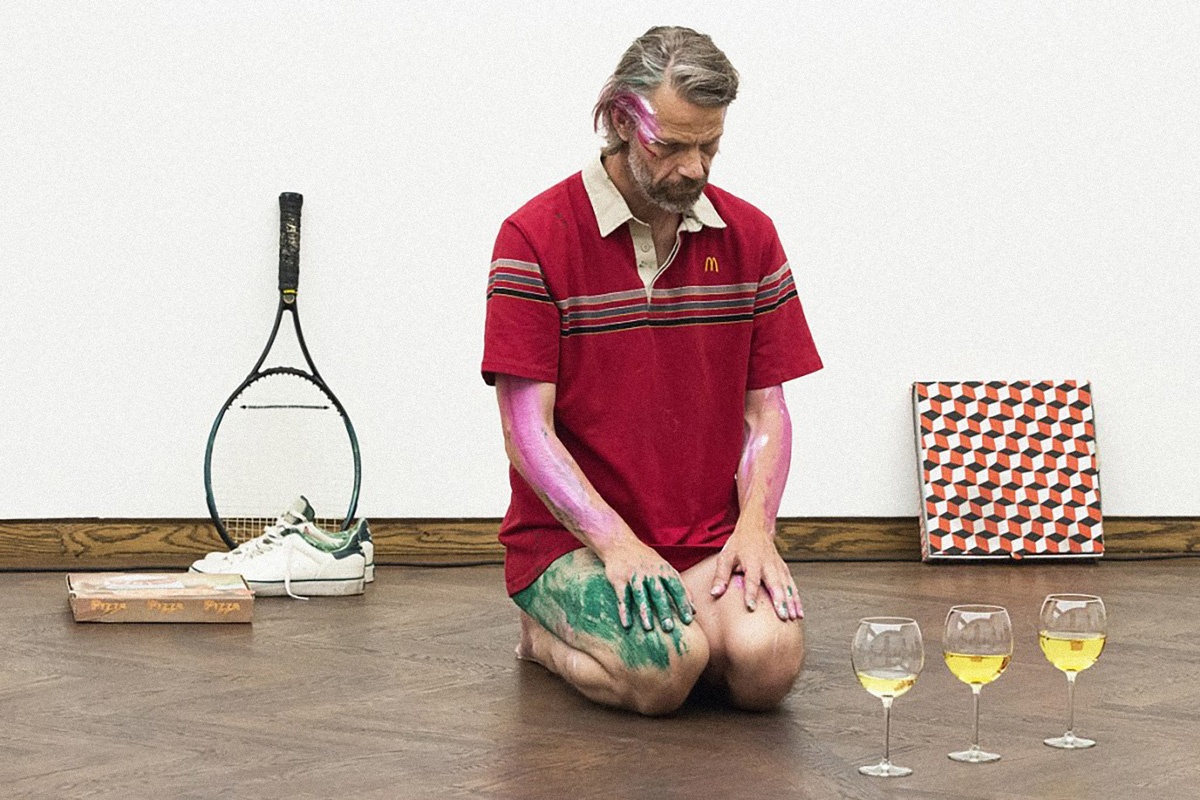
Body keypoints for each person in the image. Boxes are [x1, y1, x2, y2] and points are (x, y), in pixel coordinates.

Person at [481, 26, 822, 715]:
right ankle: (541, 638)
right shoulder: (533, 238)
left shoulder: (751, 237)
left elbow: (767, 410)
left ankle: (692, 624)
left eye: (710, 145)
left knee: (769, 666)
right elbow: (527, 433)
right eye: (671, 146)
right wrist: (617, 545)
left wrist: (756, 527)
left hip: (704, 539)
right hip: (571, 545)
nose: (694, 168)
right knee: (667, 670)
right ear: (618, 121)